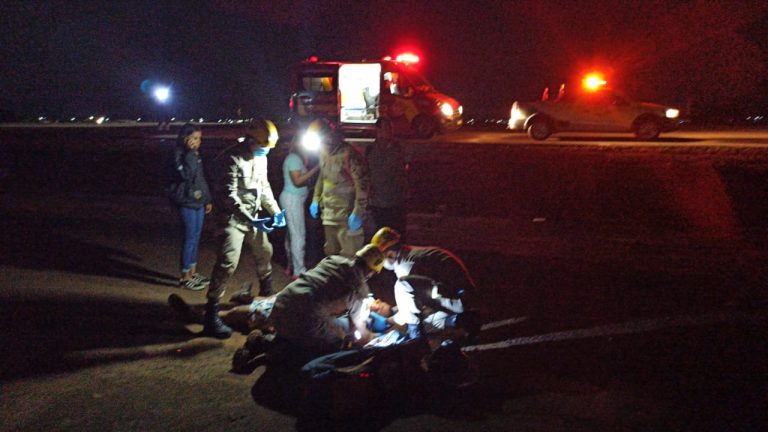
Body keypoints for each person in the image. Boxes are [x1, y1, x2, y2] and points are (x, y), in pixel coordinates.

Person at [169, 244, 385, 369]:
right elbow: (360, 332)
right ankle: (267, 346)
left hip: (285, 299)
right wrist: (375, 340)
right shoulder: (359, 291)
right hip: (303, 316)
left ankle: (200, 315)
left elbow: (323, 287)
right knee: (333, 345)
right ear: (373, 272)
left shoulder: (334, 260)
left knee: (255, 312)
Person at [202, 118, 286, 339]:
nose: (265, 152)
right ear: (251, 140)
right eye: (263, 147)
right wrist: (251, 219)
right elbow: (228, 196)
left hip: (252, 217)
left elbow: (264, 187)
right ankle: (211, 313)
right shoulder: (232, 158)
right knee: (227, 262)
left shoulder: (260, 159)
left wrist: (276, 211)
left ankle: (267, 292)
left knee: (265, 251)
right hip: (231, 219)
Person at [369, 227, 480, 339]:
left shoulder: (405, 267)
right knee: (425, 324)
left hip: (458, 297)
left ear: (390, 254)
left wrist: (388, 321)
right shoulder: (409, 254)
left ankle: (418, 339)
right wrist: (393, 310)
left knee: (416, 318)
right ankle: (461, 320)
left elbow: (411, 309)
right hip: (461, 295)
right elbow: (419, 294)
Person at [308, 118, 369, 258]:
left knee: (350, 258)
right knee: (331, 256)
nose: (323, 143)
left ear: (332, 135)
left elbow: (362, 185)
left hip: (346, 216)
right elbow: (322, 177)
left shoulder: (350, 154)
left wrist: (358, 212)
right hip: (328, 215)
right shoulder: (323, 152)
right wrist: (316, 199)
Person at [166, 123, 213, 291]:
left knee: (196, 236)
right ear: (185, 139)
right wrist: (190, 154)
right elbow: (187, 175)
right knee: (189, 238)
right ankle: (185, 277)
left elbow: (200, 178)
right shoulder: (180, 154)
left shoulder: (194, 154)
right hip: (185, 201)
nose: (198, 141)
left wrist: (207, 199)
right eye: (194, 138)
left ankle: (193, 273)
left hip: (198, 201)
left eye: (199, 138)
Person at [279, 136, 320, 278]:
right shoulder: (294, 158)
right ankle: (299, 271)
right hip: (292, 199)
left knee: (291, 235)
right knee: (298, 235)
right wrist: (316, 169)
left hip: (294, 198)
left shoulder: (297, 158)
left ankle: (290, 266)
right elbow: (297, 181)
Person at [365, 117, 409, 240]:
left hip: (395, 200)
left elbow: (403, 171)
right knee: (379, 237)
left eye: (390, 128)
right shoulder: (371, 150)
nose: (389, 131)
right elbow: (366, 173)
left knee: (397, 236)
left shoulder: (398, 148)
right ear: (377, 130)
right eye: (385, 128)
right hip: (377, 202)